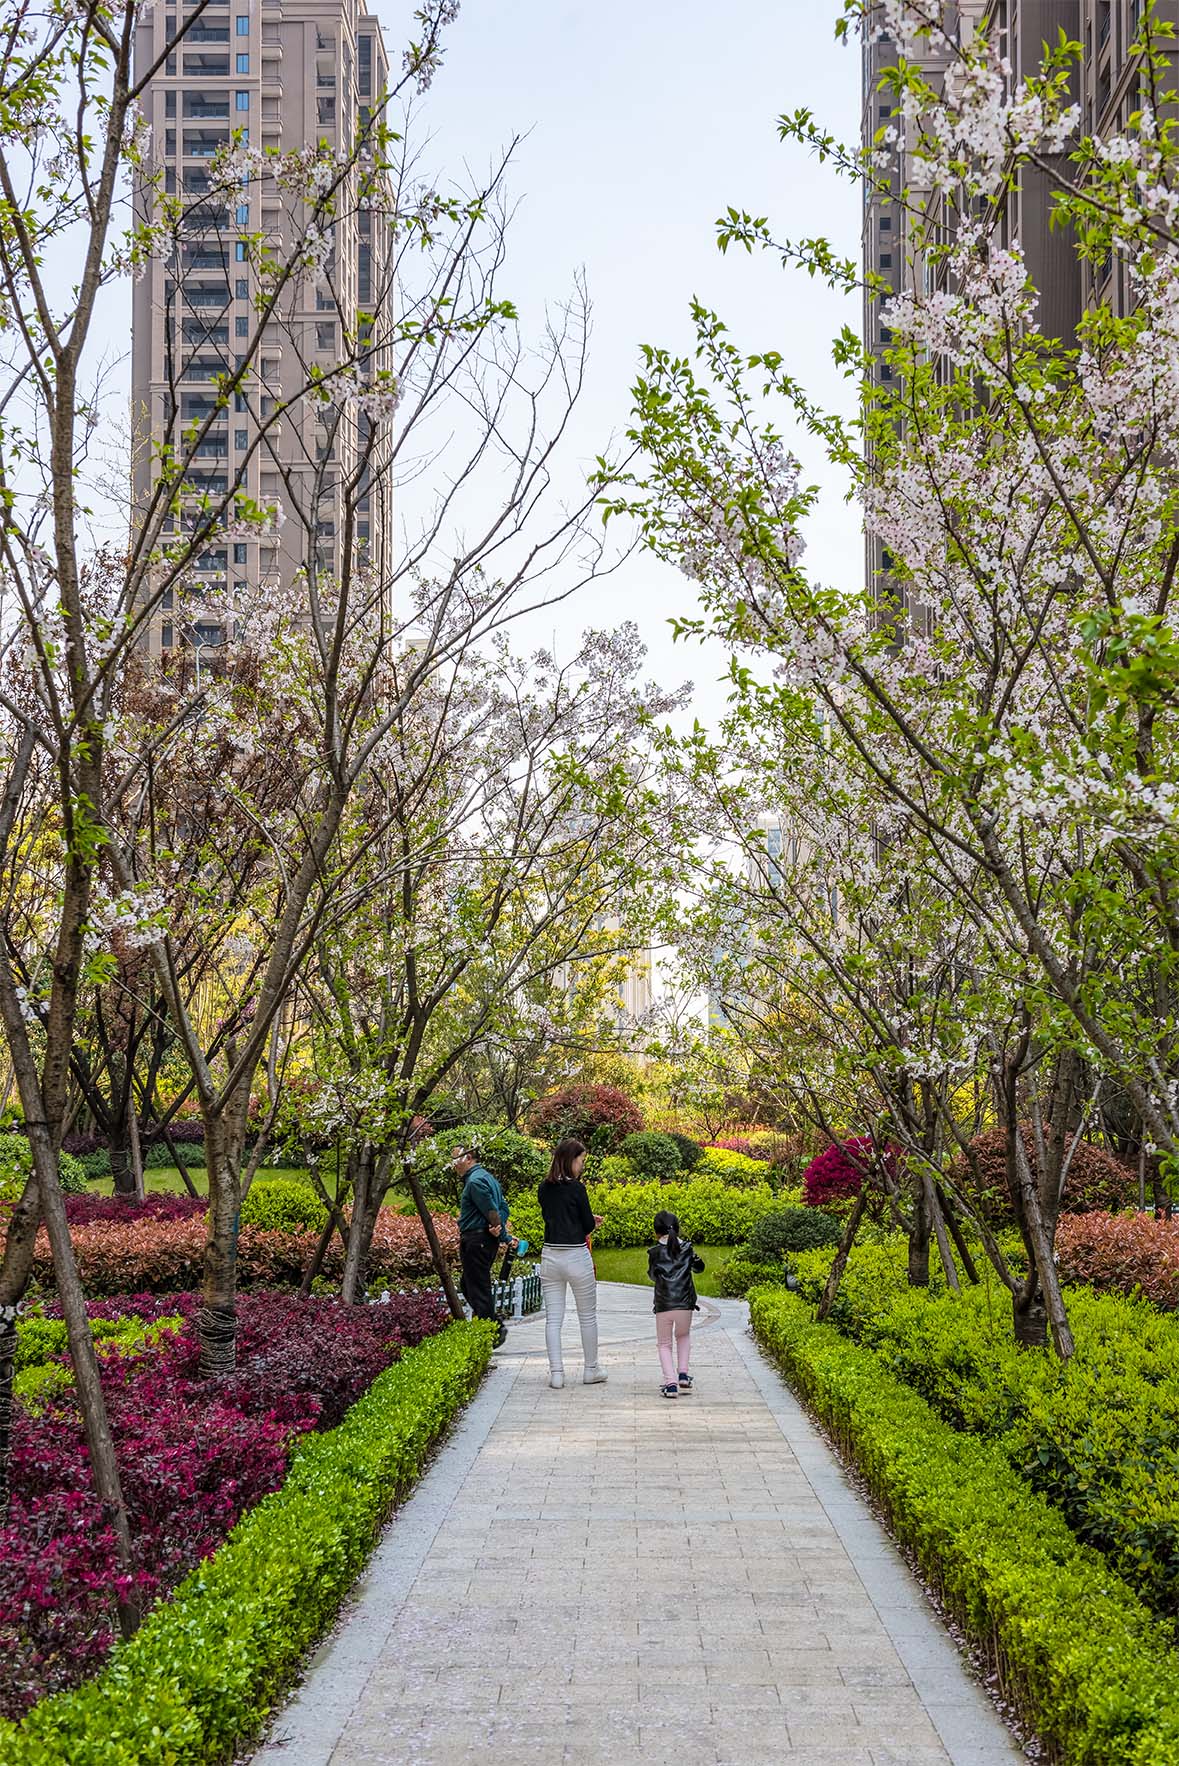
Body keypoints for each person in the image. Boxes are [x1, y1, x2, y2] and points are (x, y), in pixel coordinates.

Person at [538, 1136, 607, 1390]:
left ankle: (557, 1373)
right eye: (581, 1160)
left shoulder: (544, 1188)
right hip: (577, 1255)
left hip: (550, 1256)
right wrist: (592, 1221)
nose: (582, 1165)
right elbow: (585, 1224)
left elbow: (554, 1216)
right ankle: (591, 1369)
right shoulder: (577, 1188)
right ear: (570, 1160)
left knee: (553, 1319)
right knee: (587, 1316)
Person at [455, 1144, 515, 1348]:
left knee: (479, 1288)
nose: (454, 1165)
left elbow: (493, 1212)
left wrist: (501, 1233)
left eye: (457, 1159)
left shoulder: (475, 1182)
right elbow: (503, 1209)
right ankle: (490, 1324)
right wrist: (497, 1229)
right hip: (482, 1240)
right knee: (468, 1284)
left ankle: (493, 1329)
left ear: (469, 1158)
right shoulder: (488, 1178)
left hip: (476, 1241)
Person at [647, 1210, 705, 1399]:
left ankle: (670, 1383)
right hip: (685, 1303)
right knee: (683, 1336)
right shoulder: (687, 1248)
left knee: (664, 1344)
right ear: (677, 1229)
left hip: (664, 1304)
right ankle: (683, 1375)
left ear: (656, 1232)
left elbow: (652, 1275)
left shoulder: (655, 1252)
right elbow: (699, 1268)